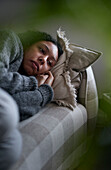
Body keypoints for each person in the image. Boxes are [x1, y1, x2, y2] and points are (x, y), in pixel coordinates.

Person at [0, 29, 63, 170]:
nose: (43, 60)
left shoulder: (21, 81)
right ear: (29, 43)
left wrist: (43, 92)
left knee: (13, 146)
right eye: (42, 50)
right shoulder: (11, 40)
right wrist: (32, 82)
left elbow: (16, 108)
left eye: (50, 63)